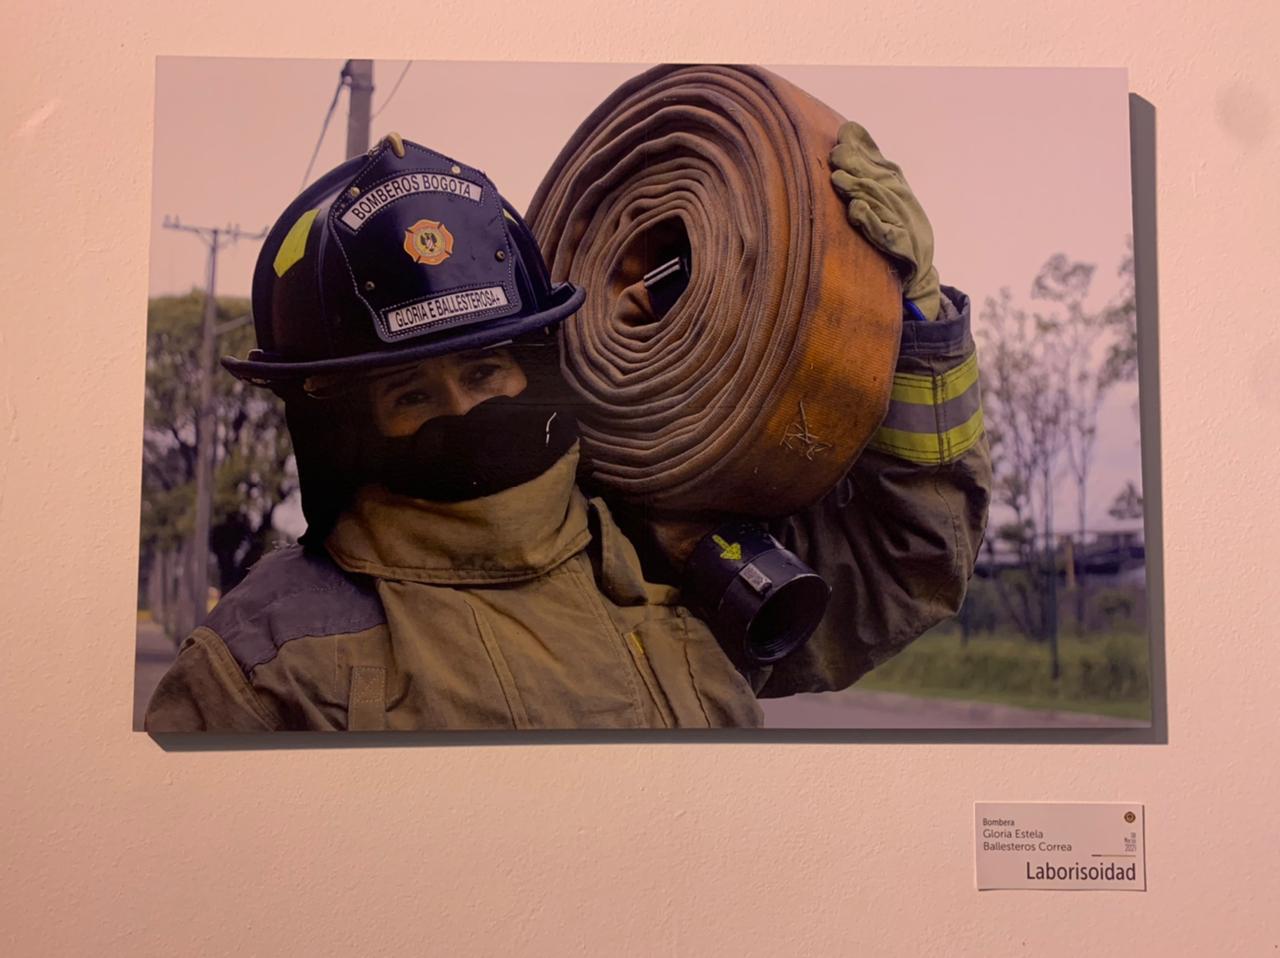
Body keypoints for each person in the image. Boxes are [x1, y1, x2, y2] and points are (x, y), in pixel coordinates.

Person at [144, 133, 989, 732]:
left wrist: (910, 319)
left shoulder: (665, 550)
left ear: (535, 362)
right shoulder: (258, 664)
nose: (464, 410)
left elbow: (899, 571)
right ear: (344, 424)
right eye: (409, 392)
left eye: (484, 372)